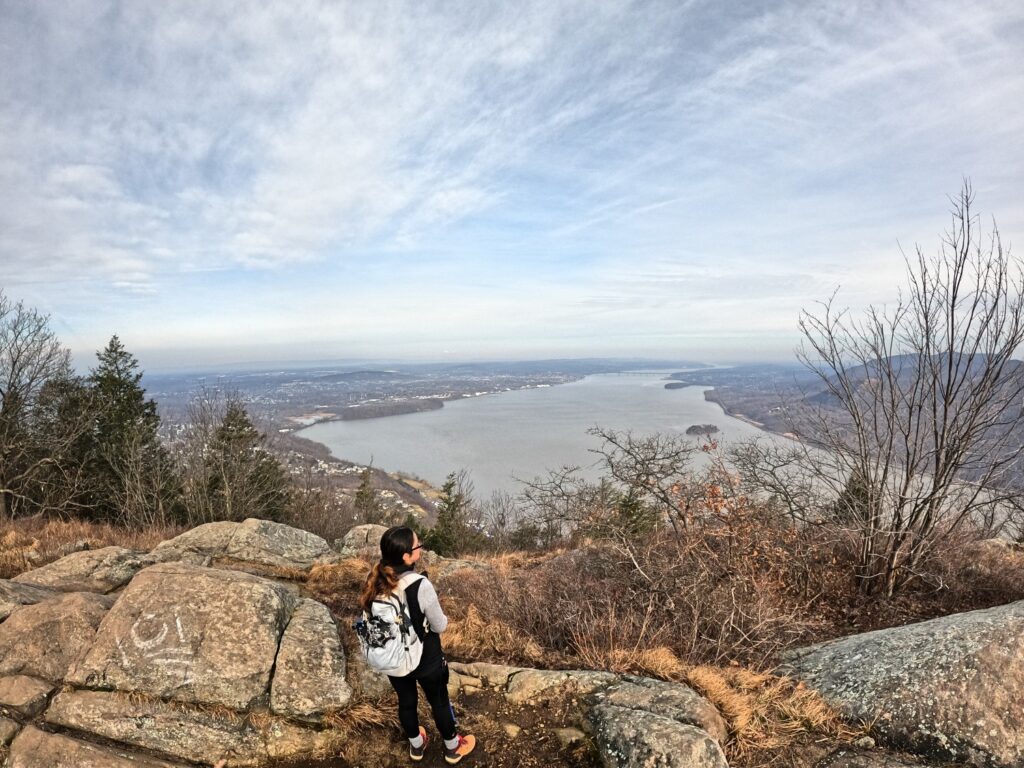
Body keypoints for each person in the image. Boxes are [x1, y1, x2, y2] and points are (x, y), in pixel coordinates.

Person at [359, 525, 476, 764]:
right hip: (426, 657)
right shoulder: (420, 584)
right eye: (417, 545)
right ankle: (453, 747)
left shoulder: (376, 579)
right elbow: (439, 625)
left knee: (407, 702)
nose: (420, 547)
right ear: (406, 556)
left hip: (395, 656)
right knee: (439, 701)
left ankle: (416, 745)